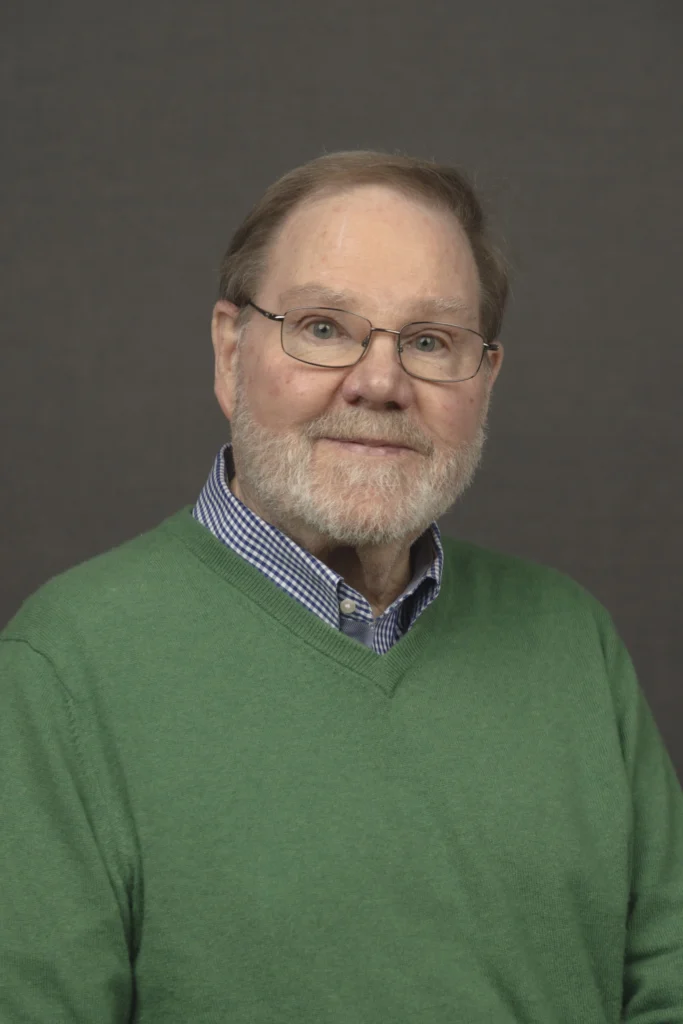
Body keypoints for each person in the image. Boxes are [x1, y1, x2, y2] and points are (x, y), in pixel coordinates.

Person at [1, 150, 682, 1024]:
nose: (380, 383)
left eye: (430, 341)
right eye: (323, 327)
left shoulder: (569, 638)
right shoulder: (64, 667)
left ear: (484, 380)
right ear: (230, 351)